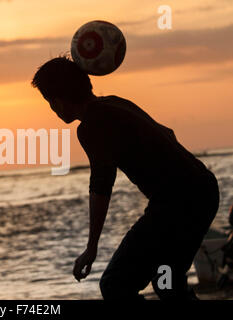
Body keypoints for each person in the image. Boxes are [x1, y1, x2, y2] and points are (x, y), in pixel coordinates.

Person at [31, 55, 219, 300]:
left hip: (176, 203)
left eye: (50, 101)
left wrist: (91, 248)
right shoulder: (116, 103)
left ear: (59, 100)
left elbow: (101, 185)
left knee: (115, 284)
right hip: (204, 189)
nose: (52, 109)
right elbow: (167, 133)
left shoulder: (91, 126)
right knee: (167, 282)